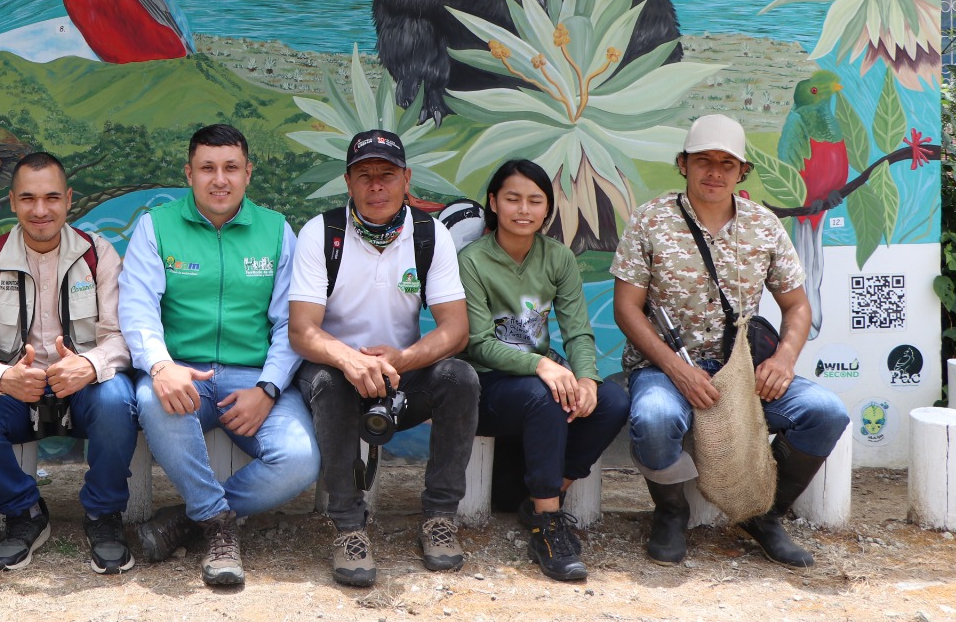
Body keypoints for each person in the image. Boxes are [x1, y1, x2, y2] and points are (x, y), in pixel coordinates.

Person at [612, 114, 849, 568]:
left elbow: (798, 307)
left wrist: (783, 359)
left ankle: (764, 514)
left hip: (741, 368)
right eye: (703, 160)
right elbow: (627, 308)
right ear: (683, 164)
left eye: (727, 162)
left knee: (824, 413)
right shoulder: (651, 220)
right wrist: (678, 371)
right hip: (663, 367)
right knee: (655, 419)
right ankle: (671, 511)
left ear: (743, 172)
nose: (714, 172)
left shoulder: (764, 226)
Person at [119, 123, 318, 587]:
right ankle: (217, 524)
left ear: (249, 173)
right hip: (181, 372)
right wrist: (161, 366)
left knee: (300, 459)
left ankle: (189, 521)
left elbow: (291, 323)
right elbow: (137, 308)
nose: (219, 179)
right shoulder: (157, 227)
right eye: (207, 168)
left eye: (231, 167)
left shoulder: (276, 230)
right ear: (189, 174)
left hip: (254, 378)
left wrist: (268, 388)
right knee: (152, 398)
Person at [288, 129, 478, 586]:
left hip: (400, 374)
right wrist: (349, 360)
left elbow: (456, 329)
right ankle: (349, 527)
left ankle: (439, 518)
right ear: (348, 182)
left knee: (460, 379)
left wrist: (402, 360)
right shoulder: (323, 232)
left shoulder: (430, 235)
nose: (376, 186)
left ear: (406, 178)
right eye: (365, 175)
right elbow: (302, 330)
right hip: (335, 372)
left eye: (387, 175)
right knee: (330, 383)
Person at [0, 152, 139, 574]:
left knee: (117, 396)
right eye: (28, 198)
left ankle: (104, 516)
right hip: (17, 393)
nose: (40, 210)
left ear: (69, 200)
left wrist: (89, 365)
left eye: (52, 197)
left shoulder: (98, 254)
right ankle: (24, 511)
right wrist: (2, 377)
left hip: (83, 390)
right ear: (12, 202)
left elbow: (122, 337)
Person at [458, 158, 629, 583]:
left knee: (612, 401)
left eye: (535, 201)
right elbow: (476, 342)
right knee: (545, 395)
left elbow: (578, 332)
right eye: (512, 198)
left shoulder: (558, 258)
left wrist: (587, 379)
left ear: (546, 210)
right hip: (487, 385)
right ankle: (549, 527)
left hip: (540, 379)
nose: (523, 209)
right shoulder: (472, 261)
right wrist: (540, 365)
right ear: (493, 203)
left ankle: (543, 497)